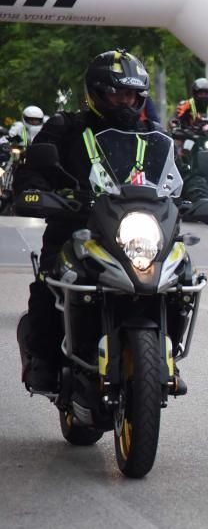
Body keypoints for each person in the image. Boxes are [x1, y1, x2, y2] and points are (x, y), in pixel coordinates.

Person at [14, 50, 160, 393]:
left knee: (181, 278)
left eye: (131, 95)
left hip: (136, 231)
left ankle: (158, 357)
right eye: (116, 93)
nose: (125, 102)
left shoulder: (153, 135)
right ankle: (44, 360)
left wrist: (198, 194)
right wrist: (41, 192)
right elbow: (33, 170)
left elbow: (180, 174)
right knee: (52, 281)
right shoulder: (65, 127)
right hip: (76, 228)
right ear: (95, 92)